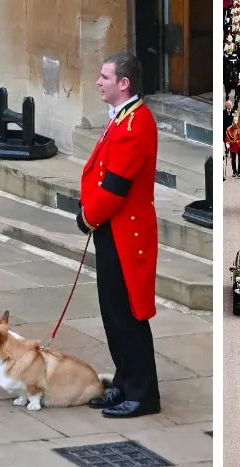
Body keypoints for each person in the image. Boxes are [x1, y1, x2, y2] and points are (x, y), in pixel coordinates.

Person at [76, 52, 160, 418]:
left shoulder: (133, 125)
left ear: (123, 83)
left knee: (128, 316)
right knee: (113, 313)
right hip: (113, 229)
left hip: (126, 233)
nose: (98, 81)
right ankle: (125, 382)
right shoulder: (122, 119)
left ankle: (143, 394)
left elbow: (114, 187)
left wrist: (87, 218)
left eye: (104, 76)